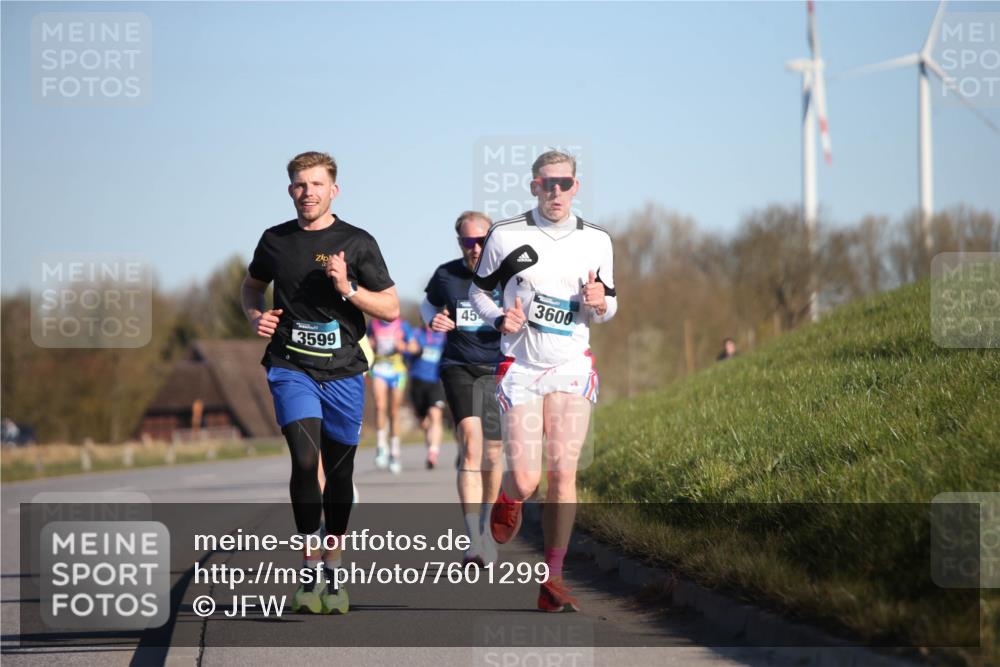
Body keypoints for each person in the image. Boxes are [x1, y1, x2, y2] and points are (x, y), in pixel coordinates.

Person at [242, 150, 399, 615]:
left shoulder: (357, 242)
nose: (307, 192)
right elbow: (251, 286)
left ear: (334, 190)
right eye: (299, 184)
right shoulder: (275, 240)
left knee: (340, 474)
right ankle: (309, 568)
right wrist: (254, 316)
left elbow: (391, 308)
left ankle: (334, 567)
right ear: (290, 189)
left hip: (344, 370)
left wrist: (348, 287)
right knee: (305, 459)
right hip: (291, 366)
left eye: (315, 184)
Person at [468, 151, 617, 612]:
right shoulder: (506, 235)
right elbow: (478, 292)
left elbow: (608, 305)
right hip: (522, 367)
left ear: (576, 187)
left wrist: (600, 303)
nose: (556, 191)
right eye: (547, 183)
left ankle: (552, 579)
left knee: (563, 473)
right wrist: (499, 318)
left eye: (564, 183)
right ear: (534, 186)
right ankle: (510, 497)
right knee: (527, 478)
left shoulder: (597, 240)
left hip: (572, 365)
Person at [422, 211, 504, 566]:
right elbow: (428, 304)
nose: (475, 248)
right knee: (471, 444)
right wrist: (433, 319)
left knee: (493, 453)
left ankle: (486, 530)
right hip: (459, 366)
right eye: (468, 242)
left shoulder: (508, 275)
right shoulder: (446, 275)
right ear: (459, 243)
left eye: (482, 241)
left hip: (499, 369)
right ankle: (472, 540)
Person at [367, 317, 408, 474]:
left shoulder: (402, 324)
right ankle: (381, 446)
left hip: (397, 370)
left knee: (394, 411)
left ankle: (395, 453)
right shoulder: (373, 324)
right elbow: (365, 344)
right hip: (379, 368)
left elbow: (414, 347)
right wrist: (370, 344)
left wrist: (402, 346)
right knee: (380, 405)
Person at [405, 324, 447, 468]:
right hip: (417, 381)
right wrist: (410, 349)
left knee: (435, 415)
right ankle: (431, 444)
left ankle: (433, 452)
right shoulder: (416, 333)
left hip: (436, 381)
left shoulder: (444, 336)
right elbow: (406, 353)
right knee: (423, 422)